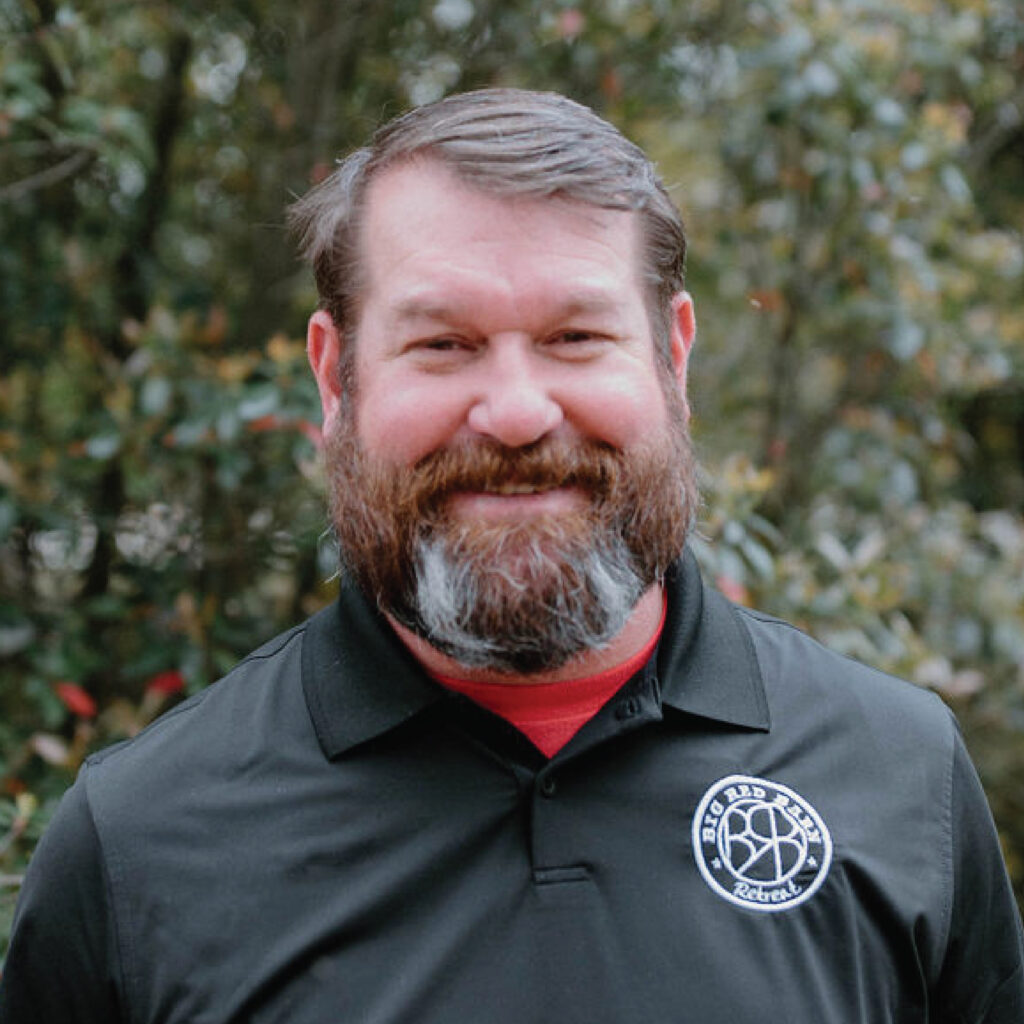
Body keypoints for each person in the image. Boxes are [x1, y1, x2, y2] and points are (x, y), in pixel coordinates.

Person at [1, 88, 1022, 1024]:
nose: (519, 412)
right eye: (442, 344)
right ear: (334, 376)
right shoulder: (137, 843)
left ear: (672, 357)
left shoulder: (900, 775)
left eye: (576, 336)